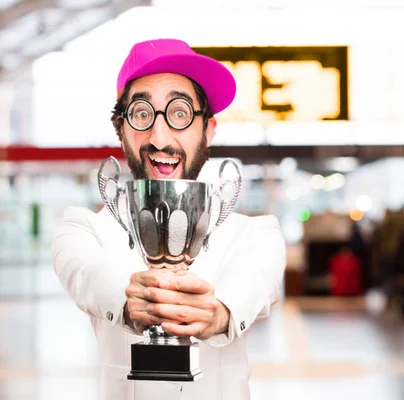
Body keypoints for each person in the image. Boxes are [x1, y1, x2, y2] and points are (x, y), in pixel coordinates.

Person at [52, 39, 287, 400]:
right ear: (121, 130)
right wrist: (129, 304)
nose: (159, 138)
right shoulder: (84, 229)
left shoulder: (256, 234)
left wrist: (218, 314)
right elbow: (87, 275)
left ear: (208, 129)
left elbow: (254, 281)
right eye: (142, 114)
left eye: (179, 113)